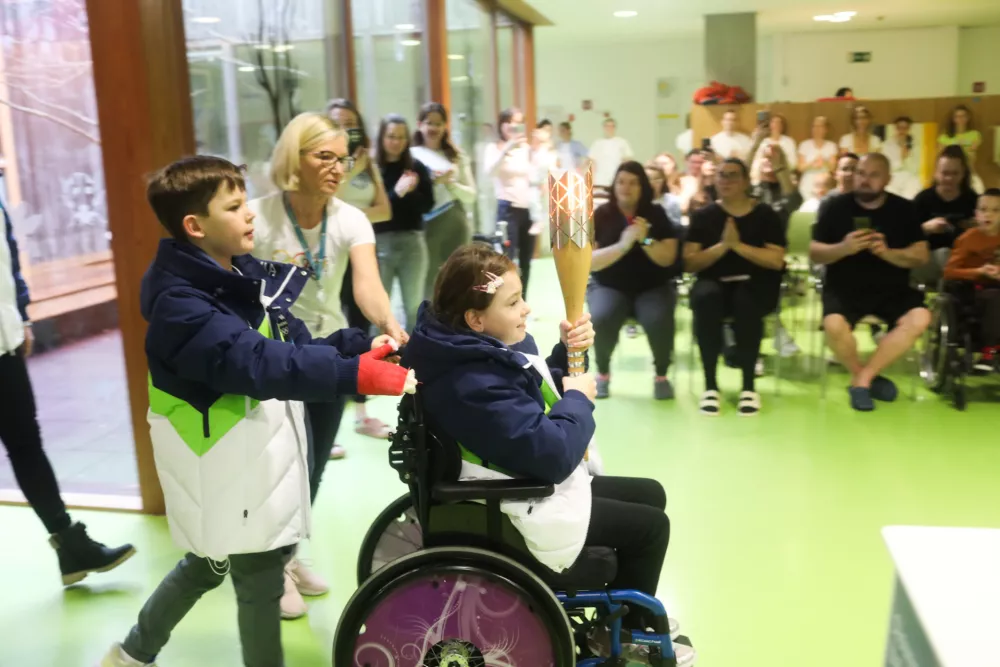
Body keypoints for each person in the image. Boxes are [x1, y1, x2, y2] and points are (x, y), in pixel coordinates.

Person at [98, 156, 415, 667]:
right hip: (219, 463)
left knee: (207, 565)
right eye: (235, 206)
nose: (249, 215)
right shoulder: (181, 305)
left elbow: (297, 345)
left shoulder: (239, 277)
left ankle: (132, 654)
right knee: (259, 576)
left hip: (246, 461)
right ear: (195, 226)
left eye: (246, 202)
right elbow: (257, 362)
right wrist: (351, 376)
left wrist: (359, 348)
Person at [402, 244, 694, 666]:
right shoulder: (471, 382)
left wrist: (566, 353)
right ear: (476, 318)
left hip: (507, 477)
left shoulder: (468, 352)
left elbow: (527, 394)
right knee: (650, 527)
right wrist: (579, 401)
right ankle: (628, 634)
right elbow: (551, 454)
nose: (526, 309)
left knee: (650, 493)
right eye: (513, 302)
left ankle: (624, 618)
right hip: (505, 503)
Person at [249, 112, 409, 615]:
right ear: (294, 158)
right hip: (271, 358)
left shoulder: (350, 219)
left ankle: (289, 554)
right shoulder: (258, 216)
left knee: (313, 463)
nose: (338, 168)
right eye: (325, 157)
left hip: (329, 354)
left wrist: (389, 322)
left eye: (343, 159)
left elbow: (366, 283)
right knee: (278, 464)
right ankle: (270, 565)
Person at [0, 200, 135, 587]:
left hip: (4, 341)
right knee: (26, 445)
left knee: (27, 444)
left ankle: (71, 547)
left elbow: (7, 259)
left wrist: (21, 314)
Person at [810, 154, 931, 412]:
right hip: (844, 287)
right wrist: (843, 248)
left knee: (920, 318)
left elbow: (921, 255)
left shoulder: (904, 209)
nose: (864, 180)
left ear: (888, 179)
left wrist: (887, 253)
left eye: (873, 174)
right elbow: (813, 251)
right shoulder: (835, 206)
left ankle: (862, 379)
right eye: (860, 173)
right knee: (833, 324)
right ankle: (863, 377)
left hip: (892, 289)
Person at [684, 159, 787, 416]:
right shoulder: (703, 215)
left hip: (756, 284)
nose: (725, 181)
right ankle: (710, 385)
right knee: (706, 298)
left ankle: (749, 386)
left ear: (745, 182)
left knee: (747, 302)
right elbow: (689, 262)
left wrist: (738, 246)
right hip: (713, 282)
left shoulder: (766, 215)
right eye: (720, 176)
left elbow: (776, 260)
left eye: (732, 176)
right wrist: (722, 247)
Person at [325, 99, 396, 448]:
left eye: (351, 123)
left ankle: (361, 414)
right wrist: (350, 173)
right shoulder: (328, 163)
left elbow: (384, 210)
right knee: (330, 332)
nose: (345, 129)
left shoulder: (368, 161)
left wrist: (353, 217)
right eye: (337, 123)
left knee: (360, 333)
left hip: (363, 252)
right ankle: (329, 423)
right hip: (330, 256)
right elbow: (326, 205)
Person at [589, 162, 679, 400]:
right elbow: (589, 261)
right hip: (609, 285)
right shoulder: (602, 215)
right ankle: (603, 373)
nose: (626, 187)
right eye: (621, 182)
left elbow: (668, 257)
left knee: (658, 318)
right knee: (601, 317)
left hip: (652, 287)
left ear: (642, 187)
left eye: (633, 182)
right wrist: (623, 245)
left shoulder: (656, 214)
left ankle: (661, 375)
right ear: (614, 185)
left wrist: (646, 239)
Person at [411, 102, 477, 300]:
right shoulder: (410, 155)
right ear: (419, 124)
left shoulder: (456, 156)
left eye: (438, 124)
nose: (433, 128)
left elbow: (471, 195)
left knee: (457, 277)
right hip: (422, 226)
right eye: (429, 123)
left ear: (445, 126)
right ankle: (428, 326)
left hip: (454, 221)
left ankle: (457, 326)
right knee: (426, 280)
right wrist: (430, 180)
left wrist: (451, 184)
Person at [375, 113, 435, 330]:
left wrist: (412, 191)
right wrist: (397, 192)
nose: (396, 142)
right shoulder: (374, 169)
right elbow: (377, 209)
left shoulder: (416, 167)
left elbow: (428, 205)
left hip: (412, 240)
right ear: (382, 137)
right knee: (380, 305)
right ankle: (379, 354)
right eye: (391, 136)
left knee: (413, 305)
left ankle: (415, 352)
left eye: (401, 137)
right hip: (380, 241)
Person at [942, 188, 1000, 367]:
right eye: (983, 209)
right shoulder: (968, 239)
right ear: (976, 213)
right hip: (973, 291)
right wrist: (979, 272)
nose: (988, 214)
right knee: (993, 298)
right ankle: (989, 350)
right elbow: (949, 272)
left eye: (995, 210)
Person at [484, 108, 535, 298]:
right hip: (508, 208)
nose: (514, 126)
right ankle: (505, 301)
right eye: (510, 122)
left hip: (528, 209)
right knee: (506, 260)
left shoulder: (526, 149)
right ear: (502, 124)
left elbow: (535, 176)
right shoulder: (494, 148)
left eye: (519, 122)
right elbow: (490, 172)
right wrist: (507, 148)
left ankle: (523, 301)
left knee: (526, 260)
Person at [912, 146, 979, 287]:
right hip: (928, 259)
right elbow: (905, 234)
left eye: (955, 173)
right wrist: (926, 228)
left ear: (963, 174)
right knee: (943, 254)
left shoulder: (973, 200)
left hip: (963, 261)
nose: (949, 178)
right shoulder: (923, 199)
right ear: (936, 173)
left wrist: (977, 227)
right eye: (945, 173)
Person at [937, 104, 983, 193]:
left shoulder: (975, 135)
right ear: (953, 119)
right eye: (957, 116)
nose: (960, 119)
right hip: (950, 174)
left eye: (963, 116)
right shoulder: (944, 137)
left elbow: (970, 153)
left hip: (968, 171)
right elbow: (941, 155)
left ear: (968, 117)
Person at [797, 116, 838, 202]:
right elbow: (800, 168)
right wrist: (813, 162)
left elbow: (833, 168)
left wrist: (824, 162)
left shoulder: (832, 146)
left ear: (826, 129)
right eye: (814, 126)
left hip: (826, 182)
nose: (816, 129)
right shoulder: (804, 145)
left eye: (820, 126)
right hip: (808, 182)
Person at [883, 116, 922, 200]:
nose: (902, 131)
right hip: (893, 179)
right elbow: (888, 167)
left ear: (909, 129)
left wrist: (906, 157)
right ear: (895, 128)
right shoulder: (887, 144)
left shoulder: (915, 144)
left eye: (905, 128)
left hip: (910, 178)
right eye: (899, 128)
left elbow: (915, 168)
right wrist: (901, 159)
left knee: (912, 196)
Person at [750, 114, 796, 184]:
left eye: (779, 123)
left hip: (784, 177)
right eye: (773, 122)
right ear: (770, 125)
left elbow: (793, 163)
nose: (776, 125)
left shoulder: (789, 142)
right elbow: (756, 161)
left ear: (783, 126)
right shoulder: (763, 142)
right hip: (765, 178)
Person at [589, 118, 634, 189]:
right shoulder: (597, 143)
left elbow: (628, 160)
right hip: (600, 179)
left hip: (617, 178)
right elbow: (592, 162)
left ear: (615, 128)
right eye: (607, 126)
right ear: (604, 127)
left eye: (612, 126)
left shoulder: (622, 142)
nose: (609, 128)